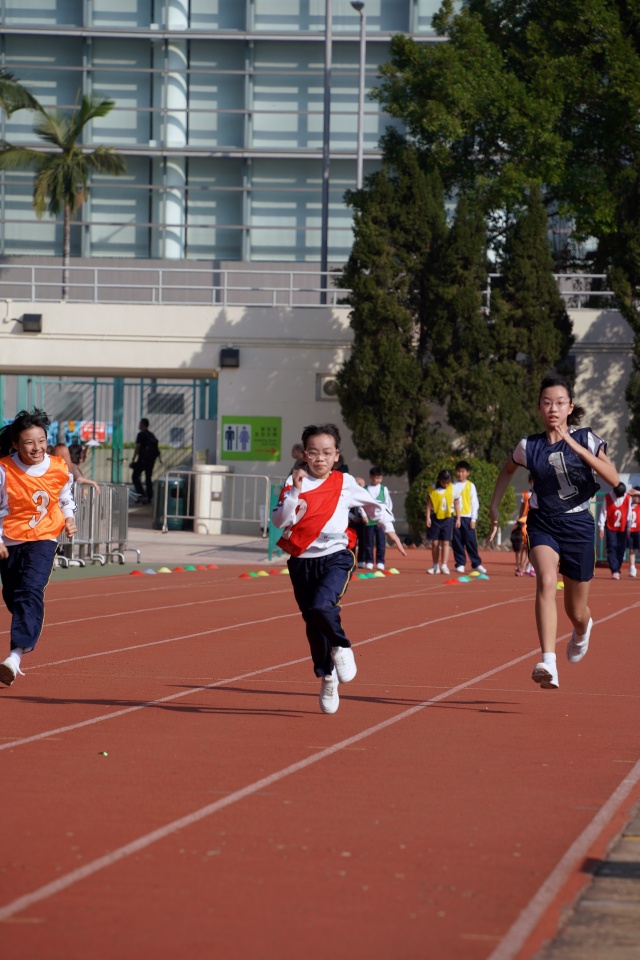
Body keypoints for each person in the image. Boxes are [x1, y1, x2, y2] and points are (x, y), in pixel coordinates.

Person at [488, 375, 620, 690]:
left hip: (578, 525)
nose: (553, 409)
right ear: (539, 407)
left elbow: (613, 478)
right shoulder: (528, 446)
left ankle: (582, 630)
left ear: (570, 407)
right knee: (546, 581)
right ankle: (548, 662)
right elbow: (507, 471)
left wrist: (575, 446)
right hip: (543, 522)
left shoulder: (586, 438)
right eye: (547, 403)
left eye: (559, 403)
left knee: (576, 610)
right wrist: (494, 506)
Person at [271, 423, 406, 715]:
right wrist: (295, 492)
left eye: (326, 452)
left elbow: (373, 504)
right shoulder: (294, 482)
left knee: (322, 606)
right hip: (302, 561)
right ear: (305, 455)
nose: (319, 458)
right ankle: (328, 676)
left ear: (336, 455)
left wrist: (389, 528)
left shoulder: (344, 482)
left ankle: (341, 646)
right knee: (312, 622)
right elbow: (279, 521)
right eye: (313, 452)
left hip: (336, 556)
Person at [0, 409, 77, 687]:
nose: (37, 448)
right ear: (16, 444)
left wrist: (69, 519)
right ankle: (25, 622)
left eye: (42, 441)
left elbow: (65, 497)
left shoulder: (58, 467)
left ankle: (14, 658)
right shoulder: (4, 469)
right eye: (29, 443)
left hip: (44, 537)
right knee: (14, 596)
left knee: (30, 590)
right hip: (10, 540)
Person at [451, 460, 487, 574]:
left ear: (468, 473)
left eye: (462, 471)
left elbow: (474, 503)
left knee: (471, 541)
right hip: (455, 517)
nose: (460, 474)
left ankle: (476, 563)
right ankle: (460, 563)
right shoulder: (452, 485)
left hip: (467, 517)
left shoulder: (471, 486)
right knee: (457, 541)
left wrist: (473, 519)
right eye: (458, 471)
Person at [425, 469, 461, 575]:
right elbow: (429, 504)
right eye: (443, 482)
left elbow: (457, 503)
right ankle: (435, 565)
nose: (446, 484)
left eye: (448, 482)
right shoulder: (433, 488)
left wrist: (458, 518)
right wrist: (428, 517)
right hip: (435, 518)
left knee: (446, 542)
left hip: (448, 518)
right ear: (439, 480)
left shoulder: (453, 488)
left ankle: (444, 565)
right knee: (435, 543)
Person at [598, 482, 632, 580]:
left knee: (621, 548)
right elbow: (603, 512)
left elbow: (629, 513)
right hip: (610, 527)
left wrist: (629, 527)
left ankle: (617, 567)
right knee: (611, 547)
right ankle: (615, 570)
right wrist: (601, 527)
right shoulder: (608, 497)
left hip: (622, 527)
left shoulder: (627, 498)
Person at [362, 467, 394, 570]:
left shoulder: (384, 489)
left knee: (381, 541)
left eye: (380, 478)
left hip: (381, 520)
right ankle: (369, 561)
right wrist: (364, 515)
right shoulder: (365, 489)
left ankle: (380, 561)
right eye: (376, 478)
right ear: (370, 477)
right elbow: (361, 504)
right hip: (369, 520)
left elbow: (388, 503)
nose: (378, 480)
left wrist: (386, 517)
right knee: (369, 542)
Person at [130, 418, 161, 503]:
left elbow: (138, 447)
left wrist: (133, 459)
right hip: (151, 460)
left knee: (135, 476)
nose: (139, 425)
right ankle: (149, 497)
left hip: (142, 460)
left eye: (140, 423)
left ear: (143, 424)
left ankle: (141, 495)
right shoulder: (151, 434)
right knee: (148, 478)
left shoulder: (141, 434)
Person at [627, 492, 640, 578]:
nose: (635, 498)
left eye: (637, 496)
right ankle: (632, 567)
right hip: (631, 530)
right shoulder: (629, 506)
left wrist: (636, 491)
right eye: (634, 496)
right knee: (631, 549)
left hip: (639, 530)